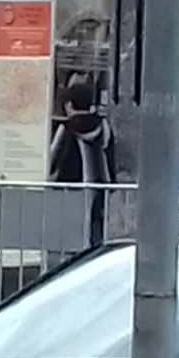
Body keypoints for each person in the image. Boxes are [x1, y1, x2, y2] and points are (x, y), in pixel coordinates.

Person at [49, 82, 116, 247]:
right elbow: (110, 152)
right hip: (99, 184)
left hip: (72, 185)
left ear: (69, 105)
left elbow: (53, 156)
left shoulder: (66, 128)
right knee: (94, 225)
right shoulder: (103, 125)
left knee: (71, 234)